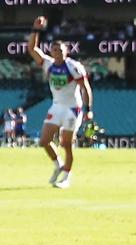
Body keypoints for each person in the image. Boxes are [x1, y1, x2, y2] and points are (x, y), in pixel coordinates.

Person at [27, 17, 93, 188]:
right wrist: (36, 30)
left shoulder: (74, 67)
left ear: (66, 52)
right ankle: (58, 166)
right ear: (52, 52)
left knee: (66, 143)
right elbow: (32, 48)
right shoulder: (48, 64)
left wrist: (88, 109)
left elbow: (85, 87)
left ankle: (66, 178)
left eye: (61, 50)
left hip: (73, 108)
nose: (58, 52)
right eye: (55, 50)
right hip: (56, 106)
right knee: (44, 141)